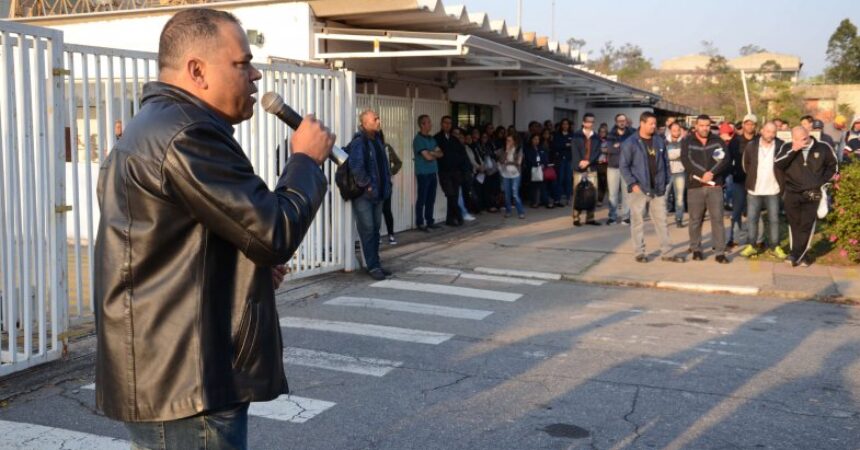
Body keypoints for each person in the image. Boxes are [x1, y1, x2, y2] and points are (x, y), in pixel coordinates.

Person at [94, 9, 334, 449]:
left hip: (171, 371)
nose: (256, 75)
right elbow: (272, 231)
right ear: (197, 70)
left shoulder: (159, 126)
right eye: (242, 64)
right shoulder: (186, 134)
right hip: (185, 381)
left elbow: (172, 244)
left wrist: (246, 271)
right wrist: (304, 160)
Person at [620, 112, 684, 263]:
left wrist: (667, 179)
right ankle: (640, 252)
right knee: (637, 222)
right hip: (639, 188)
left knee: (662, 221)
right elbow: (623, 166)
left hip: (659, 188)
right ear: (642, 123)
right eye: (651, 124)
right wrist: (632, 184)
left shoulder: (659, 141)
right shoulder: (630, 142)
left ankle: (667, 253)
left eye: (655, 124)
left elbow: (666, 162)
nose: (654, 126)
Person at [775, 126, 838, 267]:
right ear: (792, 138)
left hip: (812, 191)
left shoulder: (822, 147)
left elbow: (833, 167)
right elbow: (779, 164)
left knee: (806, 224)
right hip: (792, 191)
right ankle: (801, 255)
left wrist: (822, 182)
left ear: (808, 134)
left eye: (803, 138)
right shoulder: (787, 147)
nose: (800, 142)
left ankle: (795, 255)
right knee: (794, 224)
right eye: (796, 139)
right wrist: (794, 149)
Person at [349, 109, 392, 280]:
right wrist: (366, 186)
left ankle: (376, 264)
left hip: (379, 193)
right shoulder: (360, 142)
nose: (378, 121)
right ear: (365, 122)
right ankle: (373, 267)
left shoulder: (378, 140)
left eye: (378, 118)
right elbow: (356, 166)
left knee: (375, 231)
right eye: (375, 119)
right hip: (365, 195)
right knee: (367, 230)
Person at [682, 114, 732, 264]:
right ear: (696, 126)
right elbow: (686, 160)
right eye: (701, 125)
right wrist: (701, 174)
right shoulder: (687, 141)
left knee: (717, 220)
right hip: (695, 186)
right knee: (695, 220)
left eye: (707, 125)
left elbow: (725, 159)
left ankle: (720, 252)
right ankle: (696, 249)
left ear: (710, 126)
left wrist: (712, 173)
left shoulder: (718, 141)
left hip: (715, 186)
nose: (704, 128)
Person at [740, 122, 787, 259]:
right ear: (761, 131)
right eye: (768, 131)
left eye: (773, 132)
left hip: (773, 189)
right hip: (755, 190)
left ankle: (775, 246)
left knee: (774, 220)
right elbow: (746, 164)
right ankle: (752, 245)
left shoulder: (781, 146)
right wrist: (753, 177)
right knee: (752, 219)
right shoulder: (751, 146)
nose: (770, 134)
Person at [726, 114, 759, 247]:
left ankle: (756, 239)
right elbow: (728, 159)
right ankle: (734, 238)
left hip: (757, 181)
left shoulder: (759, 140)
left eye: (752, 124)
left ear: (755, 126)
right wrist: (729, 173)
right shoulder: (735, 141)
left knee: (755, 212)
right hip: (739, 180)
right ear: (743, 125)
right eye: (747, 123)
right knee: (737, 211)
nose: (749, 126)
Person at [413, 115, 443, 232]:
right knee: (422, 198)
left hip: (432, 172)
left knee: (431, 198)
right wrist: (433, 153)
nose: (431, 125)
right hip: (423, 173)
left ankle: (430, 221)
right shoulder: (418, 140)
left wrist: (432, 153)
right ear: (422, 125)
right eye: (428, 123)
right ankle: (420, 223)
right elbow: (428, 157)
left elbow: (441, 153)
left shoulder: (431, 138)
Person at [436, 116, 467, 226]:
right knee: (450, 194)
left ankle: (450, 219)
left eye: (449, 123)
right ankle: (459, 215)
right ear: (441, 124)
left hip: (455, 172)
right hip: (444, 172)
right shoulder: (437, 138)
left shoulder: (455, 139)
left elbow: (462, 154)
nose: (447, 125)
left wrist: (458, 165)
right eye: (445, 123)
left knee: (454, 195)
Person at [571, 113, 601, 226]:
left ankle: (590, 218)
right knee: (578, 192)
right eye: (588, 121)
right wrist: (580, 162)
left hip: (592, 167)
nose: (590, 123)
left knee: (593, 193)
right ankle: (576, 217)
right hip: (579, 167)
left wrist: (588, 162)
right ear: (583, 122)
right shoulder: (576, 135)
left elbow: (597, 152)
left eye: (592, 121)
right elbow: (574, 151)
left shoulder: (596, 137)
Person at [606, 113, 635, 225]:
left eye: (623, 120)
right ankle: (612, 217)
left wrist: (619, 146)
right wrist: (623, 147)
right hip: (613, 167)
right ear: (616, 122)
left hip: (627, 168)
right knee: (612, 194)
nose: (622, 122)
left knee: (626, 194)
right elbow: (610, 149)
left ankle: (625, 217)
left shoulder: (631, 133)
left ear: (626, 121)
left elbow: (632, 149)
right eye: (619, 120)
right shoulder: (611, 134)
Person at [379, 130, 402, 245]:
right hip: (373, 184)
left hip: (386, 183)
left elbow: (398, 163)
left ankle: (391, 234)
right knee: (376, 211)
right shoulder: (367, 146)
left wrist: (390, 172)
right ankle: (377, 236)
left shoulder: (386, 147)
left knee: (386, 210)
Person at [500, 133, 525, 219]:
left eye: (509, 140)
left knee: (515, 193)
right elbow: (502, 161)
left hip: (515, 174)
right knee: (507, 194)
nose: (508, 142)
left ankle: (521, 211)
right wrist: (506, 151)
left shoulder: (518, 149)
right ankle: (508, 211)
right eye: (507, 140)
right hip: (505, 174)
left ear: (514, 141)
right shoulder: (504, 149)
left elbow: (518, 163)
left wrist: (509, 163)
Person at [665, 122, 686, 227]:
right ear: (669, 130)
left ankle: (679, 218)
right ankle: (662, 220)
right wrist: (678, 153)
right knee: (663, 197)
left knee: (680, 198)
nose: (676, 132)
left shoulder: (684, 141)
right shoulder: (663, 141)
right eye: (674, 130)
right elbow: (665, 156)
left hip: (680, 172)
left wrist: (671, 154)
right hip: (666, 172)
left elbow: (685, 154)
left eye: (678, 130)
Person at [524, 133, 551, 208]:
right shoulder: (528, 149)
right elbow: (528, 159)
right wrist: (536, 165)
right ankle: (534, 202)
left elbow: (545, 159)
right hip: (533, 169)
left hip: (541, 169)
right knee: (533, 186)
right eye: (535, 139)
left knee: (543, 186)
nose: (536, 141)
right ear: (531, 140)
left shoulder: (541, 149)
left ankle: (545, 201)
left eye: (538, 139)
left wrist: (543, 164)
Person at [552, 118, 575, 206]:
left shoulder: (572, 135)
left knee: (568, 179)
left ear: (569, 125)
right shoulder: (557, 135)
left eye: (567, 124)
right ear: (561, 125)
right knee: (560, 179)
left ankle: (568, 198)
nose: (565, 126)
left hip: (569, 159)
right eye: (563, 124)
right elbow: (555, 146)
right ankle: (557, 198)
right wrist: (566, 145)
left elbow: (573, 146)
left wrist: (565, 145)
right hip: (560, 159)